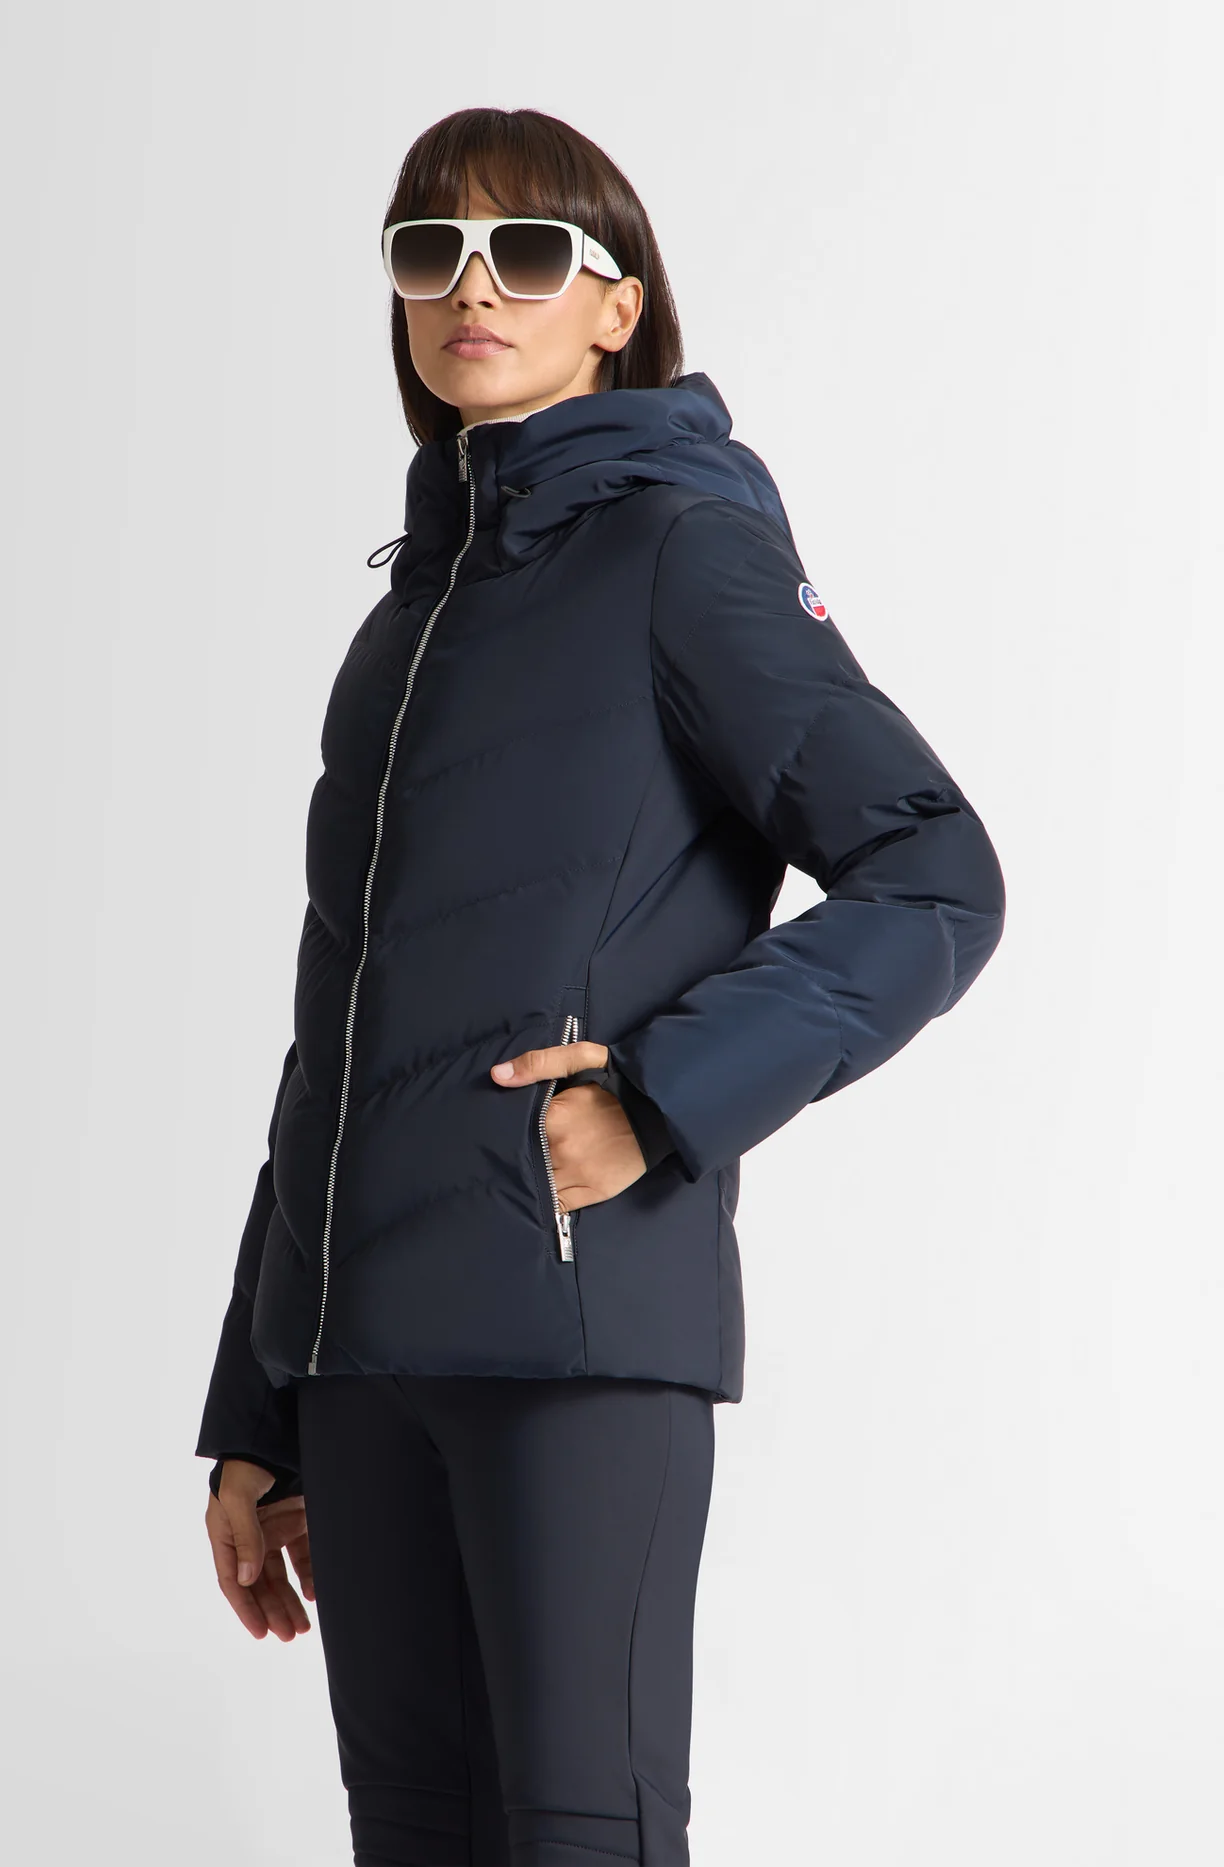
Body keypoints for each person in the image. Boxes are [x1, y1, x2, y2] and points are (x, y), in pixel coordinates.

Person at [194, 106, 1007, 1867]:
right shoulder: (406, 622)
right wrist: (257, 1407)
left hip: (570, 1334)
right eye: (431, 252)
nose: (472, 287)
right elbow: (340, 1019)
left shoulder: (681, 551)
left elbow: (935, 871)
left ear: (617, 305)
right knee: (416, 1836)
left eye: (529, 251)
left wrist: (660, 1096)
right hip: (360, 1366)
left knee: (584, 1834)